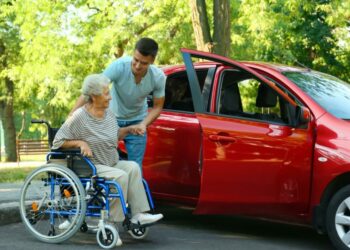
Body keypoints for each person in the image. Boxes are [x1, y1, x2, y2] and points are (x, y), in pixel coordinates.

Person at [53, 74, 163, 246]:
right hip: (92, 166)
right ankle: (110, 222)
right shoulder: (79, 117)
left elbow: (113, 135)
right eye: (106, 93)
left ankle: (138, 214)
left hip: (110, 161)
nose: (110, 97)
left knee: (133, 167)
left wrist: (129, 129)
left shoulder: (108, 114)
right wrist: (80, 142)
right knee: (121, 176)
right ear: (94, 96)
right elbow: (58, 142)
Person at [70, 38, 166, 171]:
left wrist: (143, 124)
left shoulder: (158, 77)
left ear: (152, 61)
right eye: (136, 60)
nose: (138, 66)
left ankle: (132, 191)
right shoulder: (119, 66)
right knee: (104, 162)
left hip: (137, 121)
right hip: (111, 118)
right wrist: (72, 114)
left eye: (143, 63)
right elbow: (92, 90)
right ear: (133, 54)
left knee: (135, 167)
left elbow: (157, 107)